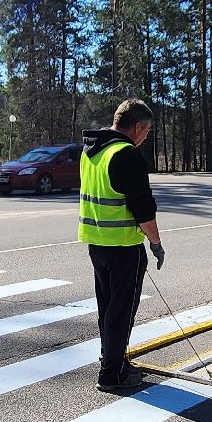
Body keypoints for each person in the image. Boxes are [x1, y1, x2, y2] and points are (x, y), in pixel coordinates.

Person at [79, 98, 165, 393]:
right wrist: (156, 242)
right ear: (137, 126)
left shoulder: (91, 152)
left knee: (108, 307)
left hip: (96, 243)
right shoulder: (125, 154)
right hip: (123, 246)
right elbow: (143, 208)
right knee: (122, 310)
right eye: (148, 130)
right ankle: (112, 373)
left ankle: (113, 359)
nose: (147, 136)